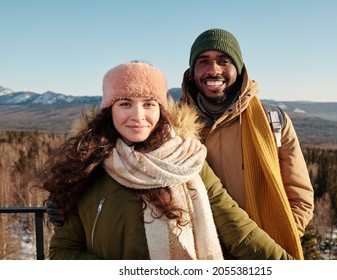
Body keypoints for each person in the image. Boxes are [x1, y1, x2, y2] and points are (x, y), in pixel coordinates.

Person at [38, 61, 293, 260]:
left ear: (161, 110)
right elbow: (62, 252)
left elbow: (241, 232)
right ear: (109, 110)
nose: (138, 116)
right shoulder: (87, 167)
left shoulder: (188, 161)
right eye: (125, 103)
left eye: (149, 104)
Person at [179, 28, 314, 260]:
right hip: (196, 253)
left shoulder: (273, 121)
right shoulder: (174, 125)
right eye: (204, 62)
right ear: (193, 71)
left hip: (260, 251)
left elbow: (300, 195)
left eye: (224, 61)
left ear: (239, 69)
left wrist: (273, 241)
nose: (214, 70)